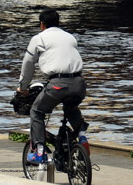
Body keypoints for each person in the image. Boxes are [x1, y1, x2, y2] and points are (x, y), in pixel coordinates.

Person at [17, 8, 87, 164]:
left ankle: (39, 152)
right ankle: (82, 137)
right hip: (79, 84)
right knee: (71, 108)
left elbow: (28, 64)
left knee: (36, 111)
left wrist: (23, 87)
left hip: (57, 84)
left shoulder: (39, 38)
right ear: (58, 22)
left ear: (42, 24)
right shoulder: (70, 37)